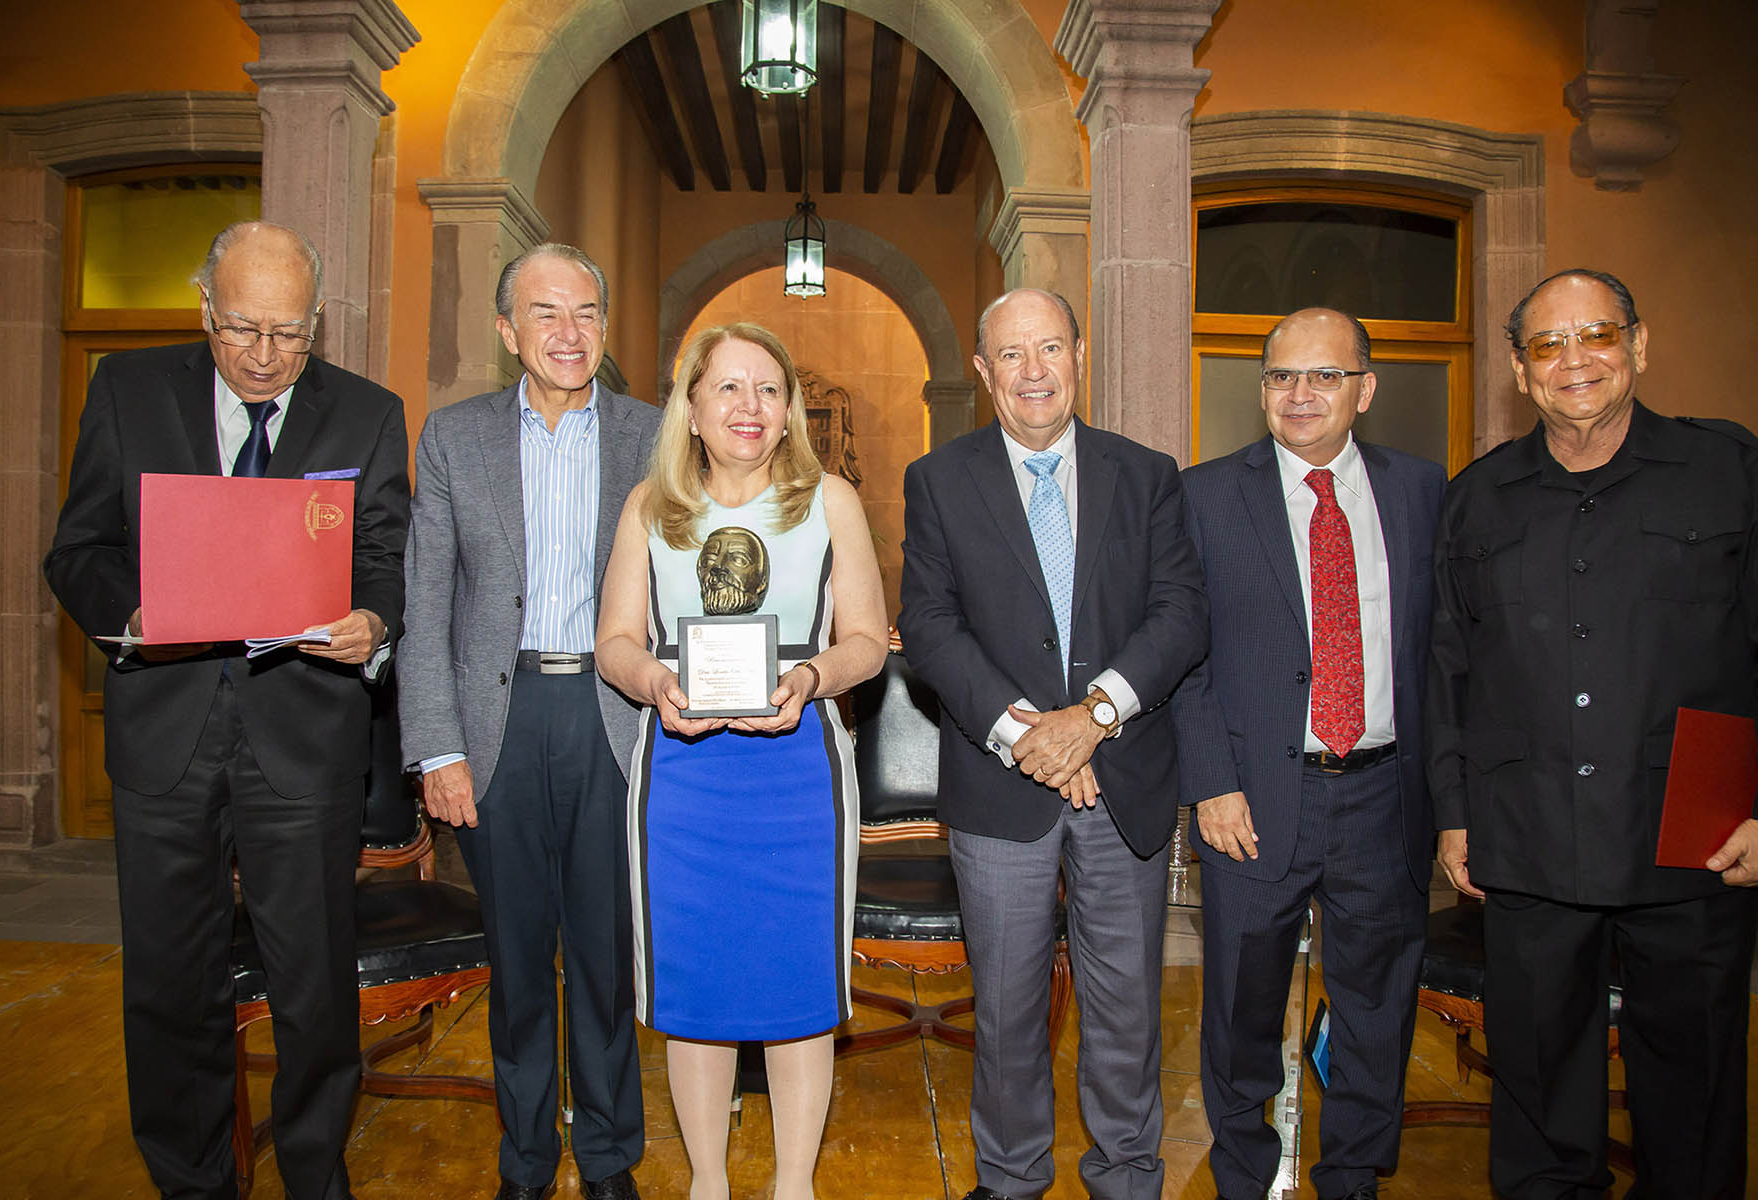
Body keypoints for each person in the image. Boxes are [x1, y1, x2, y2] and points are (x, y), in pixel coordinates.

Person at [44, 220, 410, 1199]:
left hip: (305, 742)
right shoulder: (127, 391)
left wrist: (372, 620)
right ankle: (194, 1181)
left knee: (315, 987)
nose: (263, 355)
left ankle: (314, 1173)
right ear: (205, 309)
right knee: (171, 985)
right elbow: (77, 550)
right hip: (165, 736)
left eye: (288, 334)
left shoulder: (368, 415)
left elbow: (383, 553)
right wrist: (137, 614)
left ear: (318, 324)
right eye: (242, 328)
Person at [1427, 268, 1758, 1200]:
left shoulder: (1730, 472)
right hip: (1526, 842)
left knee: (1692, 1105)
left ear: (1639, 347)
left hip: (1693, 844)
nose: (1575, 361)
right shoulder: (1478, 498)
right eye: (1548, 346)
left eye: (1597, 336)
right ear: (1521, 375)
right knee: (1535, 1102)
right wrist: (1454, 815)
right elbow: (1446, 669)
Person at [897, 288, 1208, 1200]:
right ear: (985, 372)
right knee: (1006, 1009)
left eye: (1051, 349)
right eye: (1011, 355)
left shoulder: (1147, 473)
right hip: (1001, 789)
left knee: (1126, 1011)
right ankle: (1011, 1177)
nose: (1033, 371)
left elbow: (1181, 613)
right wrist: (1024, 734)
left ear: (1079, 354)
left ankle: (1124, 1177)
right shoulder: (939, 479)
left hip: (1124, 781)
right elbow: (929, 619)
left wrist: (1093, 718)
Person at [596, 323, 887, 1200]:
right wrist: (652, 679)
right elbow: (612, 641)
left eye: (768, 389)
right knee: (699, 994)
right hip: (684, 780)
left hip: (799, 773)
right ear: (689, 408)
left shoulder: (829, 500)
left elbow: (869, 641)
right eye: (727, 388)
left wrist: (810, 675)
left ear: (790, 408)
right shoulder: (650, 506)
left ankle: (794, 1185)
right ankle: (709, 1185)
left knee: (800, 989)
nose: (749, 408)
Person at [397, 243, 657, 1200]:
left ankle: (608, 1159)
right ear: (508, 331)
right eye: (546, 314)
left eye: (586, 311)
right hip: (495, 723)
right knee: (515, 961)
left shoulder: (654, 435)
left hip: (614, 715)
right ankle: (524, 1162)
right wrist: (437, 746)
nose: (569, 332)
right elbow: (427, 606)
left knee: (604, 956)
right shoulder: (455, 437)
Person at [1169, 309, 1444, 1200]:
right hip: (1250, 800)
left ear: (1365, 389)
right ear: (1262, 390)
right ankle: (1243, 1178)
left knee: (1374, 1014)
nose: (1300, 394)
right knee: (1241, 1015)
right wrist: (1212, 783)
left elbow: (1446, 652)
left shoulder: (1424, 492)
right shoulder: (1204, 495)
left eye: (1324, 376)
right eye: (1282, 375)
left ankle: (1353, 1179)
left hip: (1385, 795)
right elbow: (1184, 654)